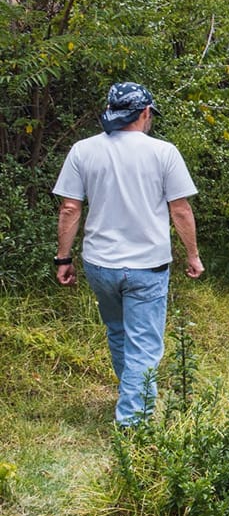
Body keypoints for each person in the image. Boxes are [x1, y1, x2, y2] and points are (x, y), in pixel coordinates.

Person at [53, 82, 204, 425]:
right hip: (147, 267)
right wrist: (192, 255)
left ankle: (131, 395)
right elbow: (179, 210)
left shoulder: (83, 150)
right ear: (145, 112)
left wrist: (63, 258)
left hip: (100, 264)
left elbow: (69, 209)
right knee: (145, 345)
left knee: (119, 332)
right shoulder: (163, 152)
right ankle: (132, 425)